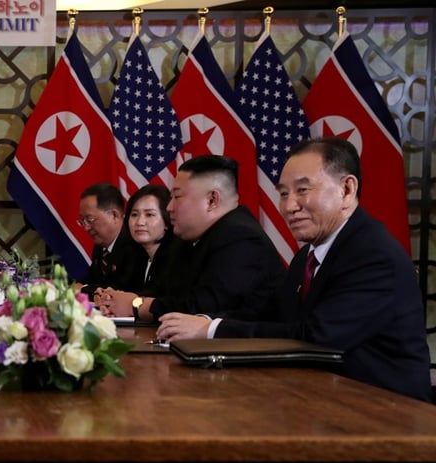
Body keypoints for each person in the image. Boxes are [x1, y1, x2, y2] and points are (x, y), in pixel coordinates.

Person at [156, 137, 431, 403]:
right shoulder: (307, 256)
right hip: (319, 399)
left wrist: (211, 330)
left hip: (386, 413)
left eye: (303, 190)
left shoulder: (372, 254)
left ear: (347, 189)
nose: (289, 206)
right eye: (284, 193)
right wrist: (201, 322)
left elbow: (316, 338)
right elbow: (270, 313)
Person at [99, 155, 285, 323]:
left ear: (212, 200)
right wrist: (118, 299)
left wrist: (136, 305)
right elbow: (165, 291)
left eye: (177, 196)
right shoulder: (188, 239)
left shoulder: (242, 238)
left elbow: (202, 309)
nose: (170, 207)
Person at [74, 183, 143, 295]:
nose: (86, 227)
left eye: (90, 219)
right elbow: (89, 280)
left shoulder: (134, 244)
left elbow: (119, 289)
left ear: (114, 215)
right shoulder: (100, 247)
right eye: (82, 221)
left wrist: (82, 289)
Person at [118, 183, 178, 296]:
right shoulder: (134, 255)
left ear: (167, 221)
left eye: (149, 215)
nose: (140, 222)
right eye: (134, 214)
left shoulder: (175, 258)